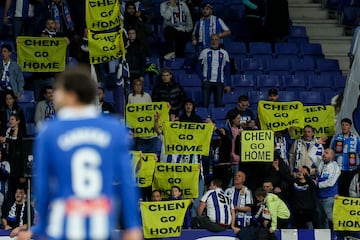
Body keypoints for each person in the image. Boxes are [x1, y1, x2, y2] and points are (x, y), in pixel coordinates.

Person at [17, 65, 142, 240]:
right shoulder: (114, 128)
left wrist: (41, 228)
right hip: (100, 225)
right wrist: (133, 226)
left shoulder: (50, 131)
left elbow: (44, 186)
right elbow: (127, 181)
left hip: (63, 227)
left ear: (71, 95)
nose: (55, 96)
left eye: (58, 91)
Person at [197, 34, 231, 108]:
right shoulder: (204, 52)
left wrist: (228, 84)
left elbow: (228, 70)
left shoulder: (224, 53)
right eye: (212, 39)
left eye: (216, 40)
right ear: (210, 41)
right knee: (205, 104)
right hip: (207, 82)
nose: (214, 42)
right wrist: (203, 78)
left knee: (219, 104)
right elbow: (198, 68)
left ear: (219, 41)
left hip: (219, 82)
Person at [330, 118, 360, 197]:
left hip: (352, 169)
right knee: (338, 190)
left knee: (349, 191)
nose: (344, 127)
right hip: (338, 169)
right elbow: (331, 152)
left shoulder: (356, 138)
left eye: (346, 125)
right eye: (342, 125)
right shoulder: (336, 138)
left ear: (350, 126)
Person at [314, 148, 340, 229]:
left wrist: (318, 184)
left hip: (329, 198)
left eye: (326, 153)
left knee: (333, 219)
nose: (323, 154)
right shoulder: (321, 163)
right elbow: (311, 156)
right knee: (322, 221)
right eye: (323, 152)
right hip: (319, 197)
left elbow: (331, 182)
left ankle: (340, 236)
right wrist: (316, 144)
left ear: (332, 156)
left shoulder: (335, 166)